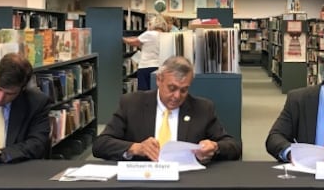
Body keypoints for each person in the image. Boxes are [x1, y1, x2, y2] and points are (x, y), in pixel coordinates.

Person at [93, 55, 242, 163]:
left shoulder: (202, 108)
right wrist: (135, 148)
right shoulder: (132, 103)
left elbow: (234, 147)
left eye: (184, 90)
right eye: (172, 88)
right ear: (159, 80)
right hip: (143, 183)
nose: (177, 96)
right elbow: (100, 145)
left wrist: (214, 147)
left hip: (185, 185)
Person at [123, 15, 168, 90]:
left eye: (149, 24)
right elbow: (139, 39)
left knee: (144, 93)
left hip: (146, 67)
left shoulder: (149, 34)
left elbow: (134, 42)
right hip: (159, 67)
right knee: (155, 91)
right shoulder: (165, 35)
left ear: (153, 24)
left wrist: (121, 38)